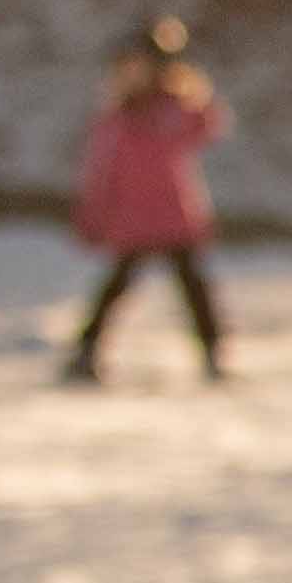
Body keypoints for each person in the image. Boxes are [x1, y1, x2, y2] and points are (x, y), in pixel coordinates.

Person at [60, 19, 228, 385]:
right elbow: (100, 176)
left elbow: (208, 125)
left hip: (174, 218)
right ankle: (86, 351)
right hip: (132, 221)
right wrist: (92, 217)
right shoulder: (116, 122)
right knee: (115, 290)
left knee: (194, 290)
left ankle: (213, 354)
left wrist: (191, 91)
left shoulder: (173, 111)